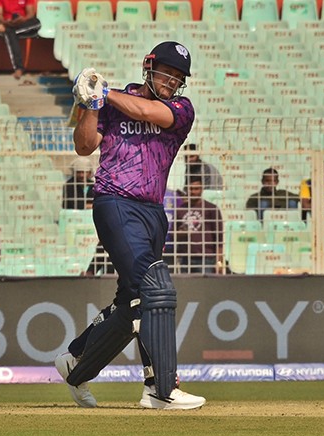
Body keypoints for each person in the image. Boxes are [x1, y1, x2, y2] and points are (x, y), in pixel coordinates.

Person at [54, 41, 206, 410]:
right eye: (166, 71)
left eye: (178, 76)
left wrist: (105, 94)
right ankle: (160, 387)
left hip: (153, 212)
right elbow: (84, 145)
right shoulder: (110, 102)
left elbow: (149, 112)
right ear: (148, 66)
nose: (171, 81)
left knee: (131, 303)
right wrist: (91, 104)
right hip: (115, 202)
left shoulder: (180, 109)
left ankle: (75, 362)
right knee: (155, 289)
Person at [173, 175, 224, 274]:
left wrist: (219, 261)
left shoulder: (211, 209)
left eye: (196, 189)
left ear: (202, 189)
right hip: (186, 257)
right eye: (190, 189)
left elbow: (219, 237)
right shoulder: (180, 210)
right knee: (186, 288)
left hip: (206, 257)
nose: (193, 192)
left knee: (206, 288)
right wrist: (182, 233)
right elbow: (173, 234)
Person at [0, 0, 41, 79]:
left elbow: (30, 13)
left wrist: (23, 19)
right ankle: (18, 68)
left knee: (37, 23)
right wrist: (5, 22)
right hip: (8, 22)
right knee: (10, 32)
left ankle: (4, 28)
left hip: (23, 23)